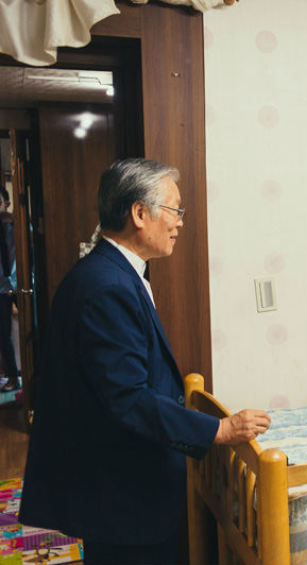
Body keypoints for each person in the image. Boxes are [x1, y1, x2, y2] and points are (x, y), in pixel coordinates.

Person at [20, 158, 272, 565]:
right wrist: (219, 429)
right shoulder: (106, 285)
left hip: (119, 485)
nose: (180, 223)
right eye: (175, 210)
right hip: (120, 491)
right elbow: (128, 398)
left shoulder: (113, 272)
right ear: (140, 213)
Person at [0, 188, 18, 392]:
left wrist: (13, 288)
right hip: (4, 286)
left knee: (5, 335)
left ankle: (13, 376)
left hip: (9, 288)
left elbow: (13, 259)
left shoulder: (12, 226)